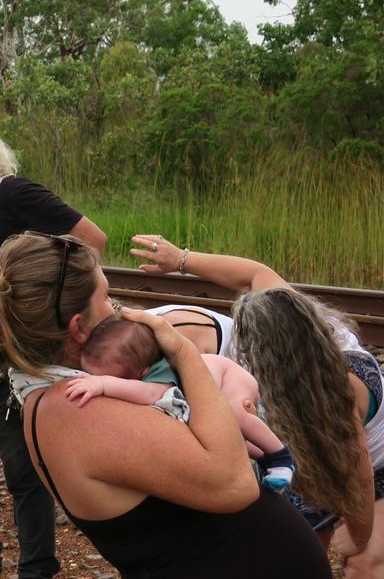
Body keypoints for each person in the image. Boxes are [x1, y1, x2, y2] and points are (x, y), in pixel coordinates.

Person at [0, 232, 331, 578]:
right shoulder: (79, 411)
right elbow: (235, 485)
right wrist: (181, 349)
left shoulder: (65, 395)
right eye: (106, 296)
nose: (117, 306)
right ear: (79, 328)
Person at [132, 236, 383, 575]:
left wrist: (360, 537)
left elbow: (357, 468)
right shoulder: (283, 307)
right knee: (296, 559)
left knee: (364, 563)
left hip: (375, 469)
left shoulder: (342, 382)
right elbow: (256, 273)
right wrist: (180, 259)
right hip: (306, 467)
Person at [0, 116, 105, 579]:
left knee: (25, 474)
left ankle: (37, 569)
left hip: (14, 364)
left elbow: (91, 242)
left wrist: (48, 313)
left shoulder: (15, 196)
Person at [68, 317, 295, 490]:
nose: (95, 379)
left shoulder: (157, 377)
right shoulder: (141, 369)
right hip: (213, 384)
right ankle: (264, 457)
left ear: (141, 372)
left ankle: (280, 455)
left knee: (233, 415)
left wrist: (103, 385)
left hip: (227, 376)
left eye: (111, 377)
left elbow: (148, 394)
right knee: (227, 436)